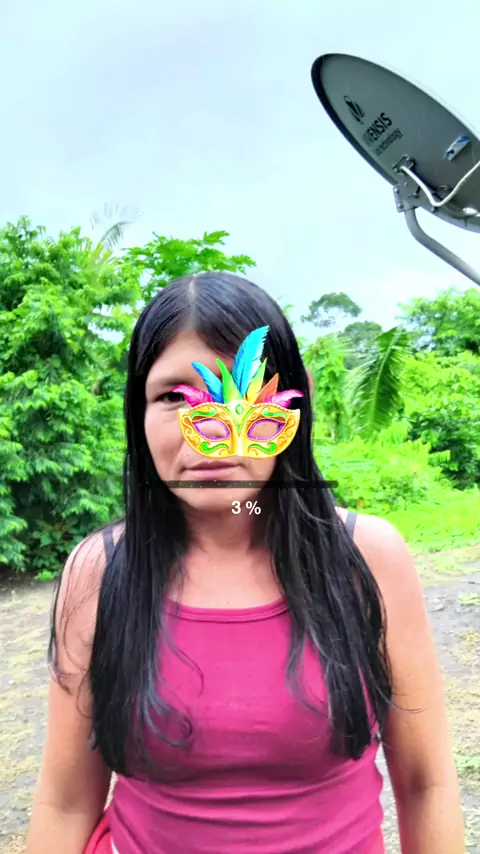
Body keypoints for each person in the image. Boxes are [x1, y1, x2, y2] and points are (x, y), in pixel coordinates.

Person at [26, 271, 465, 854]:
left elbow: (427, 784)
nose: (210, 426)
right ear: (137, 412)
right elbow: (65, 802)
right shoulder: (101, 570)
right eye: (173, 396)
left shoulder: (369, 558)